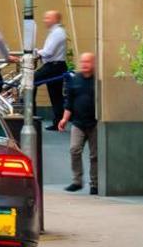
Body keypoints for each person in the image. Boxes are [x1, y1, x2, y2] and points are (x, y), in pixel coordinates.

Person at [56, 51, 99, 191]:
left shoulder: (98, 81)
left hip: (95, 123)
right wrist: (64, 119)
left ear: (93, 63)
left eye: (88, 61)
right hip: (78, 123)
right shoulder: (75, 80)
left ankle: (95, 184)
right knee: (74, 150)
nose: (84, 64)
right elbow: (69, 102)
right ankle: (77, 181)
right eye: (83, 62)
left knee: (95, 155)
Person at [36, 10, 70, 124]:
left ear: (55, 19)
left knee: (30, 82)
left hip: (53, 66)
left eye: (47, 18)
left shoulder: (57, 32)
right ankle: (57, 122)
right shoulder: (56, 32)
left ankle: (31, 117)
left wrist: (36, 52)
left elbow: (48, 52)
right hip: (56, 66)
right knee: (55, 95)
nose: (44, 20)